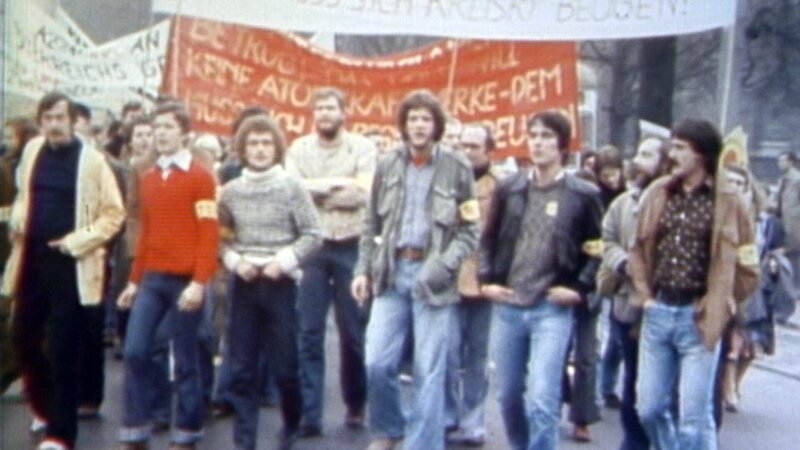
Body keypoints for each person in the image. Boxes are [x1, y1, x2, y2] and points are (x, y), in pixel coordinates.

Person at [351, 89, 479, 450]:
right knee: (377, 361)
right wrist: (362, 270)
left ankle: (421, 443)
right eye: (413, 119)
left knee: (429, 369)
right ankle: (388, 429)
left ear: (436, 125)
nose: (419, 125)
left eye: (426, 119)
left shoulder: (458, 167)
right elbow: (370, 224)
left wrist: (443, 266)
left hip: (434, 279)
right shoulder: (388, 163)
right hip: (391, 273)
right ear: (404, 125)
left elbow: (470, 231)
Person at [3, 91, 125, 450]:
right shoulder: (32, 150)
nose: (54, 125)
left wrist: (78, 241)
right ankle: (44, 407)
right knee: (23, 336)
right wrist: (18, 218)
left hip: (71, 265)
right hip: (30, 259)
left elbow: (113, 214)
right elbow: (24, 195)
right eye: (48, 119)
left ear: (72, 121)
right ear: (40, 122)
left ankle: (61, 432)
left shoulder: (93, 161)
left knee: (63, 347)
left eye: (60, 118)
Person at [630, 119, 759, 450]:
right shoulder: (658, 192)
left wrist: (722, 299)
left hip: (699, 318)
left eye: (680, 148)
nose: (671, 155)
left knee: (694, 419)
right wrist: (645, 296)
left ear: (701, 153)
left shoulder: (729, 200)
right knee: (649, 409)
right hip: (659, 310)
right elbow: (637, 249)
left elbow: (748, 265)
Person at [479, 110, 603, 450]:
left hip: (551, 307)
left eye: (546, 136)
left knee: (542, 398)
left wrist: (578, 288)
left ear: (562, 145)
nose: (538, 143)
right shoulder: (510, 188)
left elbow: (596, 249)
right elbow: (488, 239)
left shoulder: (583, 193)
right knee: (507, 395)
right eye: (533, 135)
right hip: (509, 303)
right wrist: (486, 280)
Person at [117, 101, 218, 450]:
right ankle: (135, 429)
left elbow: (209, 233)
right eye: (157, 127)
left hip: (185, 281)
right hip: (153, 280)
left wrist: (199, 283)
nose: (160, 134)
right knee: (135, 350)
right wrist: (133, 282)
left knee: (186, 358)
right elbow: (146, 235)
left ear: (185, 134)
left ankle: (187, 432)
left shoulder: (200, 177)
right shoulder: (148, 178)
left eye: (168, 127)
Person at [219, 115, 321, 450]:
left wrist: (284, 260)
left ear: (277, 148)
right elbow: (219, 239)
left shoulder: (292, 186)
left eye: (266, 143)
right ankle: (244, 441)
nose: (260, 150)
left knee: (286, 368)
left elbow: (313, 234)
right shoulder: (230, 192)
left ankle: (291, 424)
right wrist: (236, 262)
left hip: (282, 284)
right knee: (242, 369)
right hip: (245, 283)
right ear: (242, 149)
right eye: (253, 143)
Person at [285, 87, 376, 436]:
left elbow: (363, 193)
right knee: (308, 332)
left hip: (352, 245)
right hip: (313, 248)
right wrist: (338, 185)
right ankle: (310, 414)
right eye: (319, 108)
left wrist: (316, 190)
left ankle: (356, 404)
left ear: (343, 112)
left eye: (331, 108)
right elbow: (292, 191)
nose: (324, 114)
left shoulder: (362, 148)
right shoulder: (299, 149)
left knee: (352, 332)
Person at [599, 135, 671, 450]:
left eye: (647, 154)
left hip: (666, 305)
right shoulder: (624, 203)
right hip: (629, 306)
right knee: (633, 378)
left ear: (665, 161)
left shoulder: (675, 200)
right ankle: (634, 442)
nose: (638, 160)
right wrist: (624, 263)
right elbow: (607, 239)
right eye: (638, 153)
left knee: (662, 388)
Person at [444, 124, 500, 447]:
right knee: (448, 351)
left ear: (488, 151)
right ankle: (448, 413)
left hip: (484, 279)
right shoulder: (445, 178)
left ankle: (473, 420)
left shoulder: (501, 185)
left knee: (478, 355)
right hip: (449, 277)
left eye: (474, 147)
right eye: (463, 145)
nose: (467, 151)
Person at [774, 151, 800, 297]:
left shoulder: (797, 179)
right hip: (782, 222)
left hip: (795, 224)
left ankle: (796, 288)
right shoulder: (782, 180)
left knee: (795, 255)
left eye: (782, 161)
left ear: (791, 162)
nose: (779, 164)